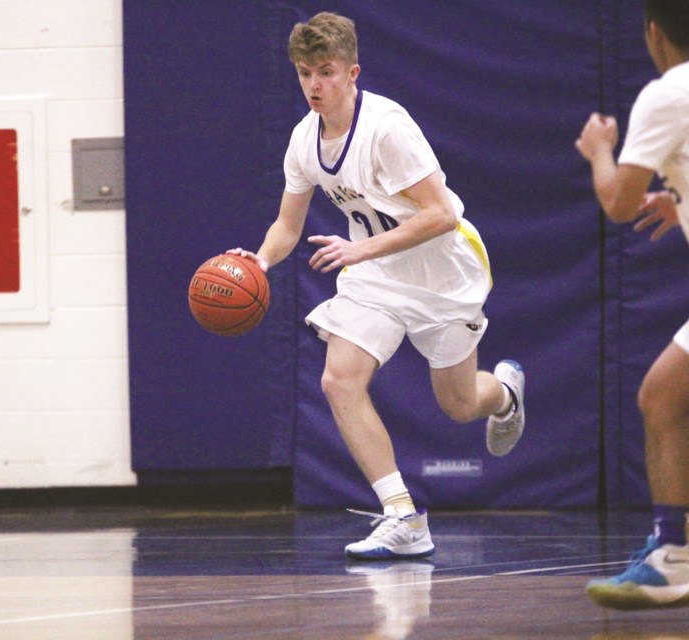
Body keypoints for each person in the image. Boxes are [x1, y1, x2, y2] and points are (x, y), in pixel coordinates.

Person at [229, 12, 526, 560]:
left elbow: (439, 214)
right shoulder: (302, 140)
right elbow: (288, 225)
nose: (315, 85)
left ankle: (504, 395)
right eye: (304, 73)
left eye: (326, 72)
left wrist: (359, 248)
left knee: (459, 405)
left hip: (443, 271)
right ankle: (403, 517)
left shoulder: (387, 127)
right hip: (376, 274)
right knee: (339, 381)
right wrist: (260, 262)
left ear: (352, 72)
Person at [576, 0, 689, 611]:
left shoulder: (668, 92)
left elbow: (620, 203)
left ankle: (673, 556)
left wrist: (599, 148)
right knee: (664, 395)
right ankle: (672, 551)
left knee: (660, 397)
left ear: (654, 33)